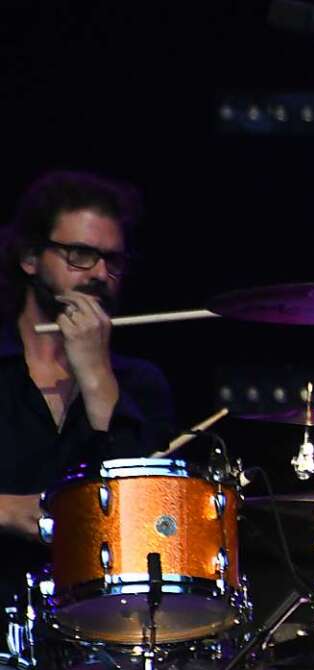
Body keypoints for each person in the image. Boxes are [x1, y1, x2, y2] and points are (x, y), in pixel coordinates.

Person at [0, 170, 175, 608]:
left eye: (112, 261)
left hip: (97, 632)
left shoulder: (140, 384)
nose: (99, 273)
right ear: (29, 257)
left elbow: (142, 523)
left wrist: (97, 378)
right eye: (80, 254)